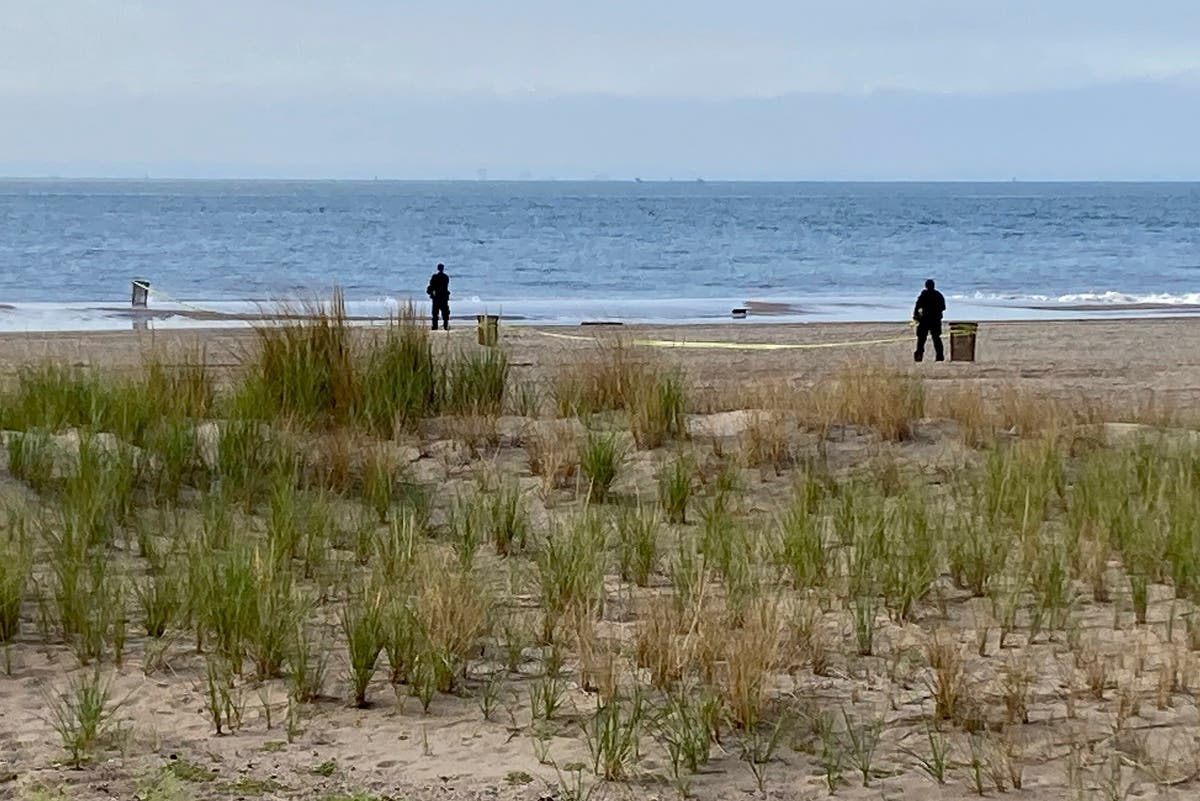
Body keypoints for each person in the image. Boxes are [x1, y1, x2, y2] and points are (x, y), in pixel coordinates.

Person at [912, 278, 946, 362]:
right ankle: (940, 356)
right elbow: (943, 307)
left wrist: (916, 316)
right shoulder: (938, 295)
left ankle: (920, 354)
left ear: (926, 286)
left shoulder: (924, 295)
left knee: (922, 339)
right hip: (935, 320)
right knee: (936, 338)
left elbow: (917, 307)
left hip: (925, 320)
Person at [426, 263, 450, 331]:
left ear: (438, 268)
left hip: (436, 298)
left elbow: (431, 286)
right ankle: (445, 325)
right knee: (445, 312)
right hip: (444, 297)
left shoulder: (435, 277)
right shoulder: (446, 277)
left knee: (435, 313)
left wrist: (429, 291)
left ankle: (435, 326)